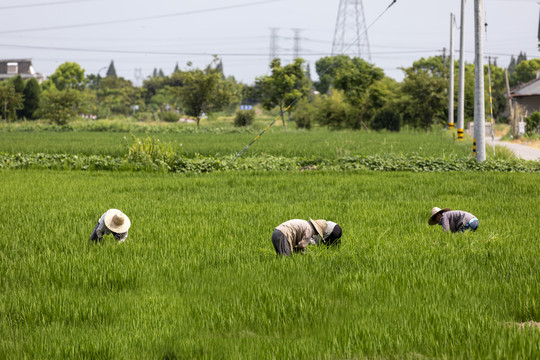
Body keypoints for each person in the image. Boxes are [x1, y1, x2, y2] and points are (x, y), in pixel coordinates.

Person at [271, 218, 342, 256]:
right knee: (286, 259)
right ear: (317, 230)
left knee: (282, 256)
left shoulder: (306, 224)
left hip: (277, 233)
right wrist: (306, 254)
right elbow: (302, 245)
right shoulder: (310, 230)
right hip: (283, 234)